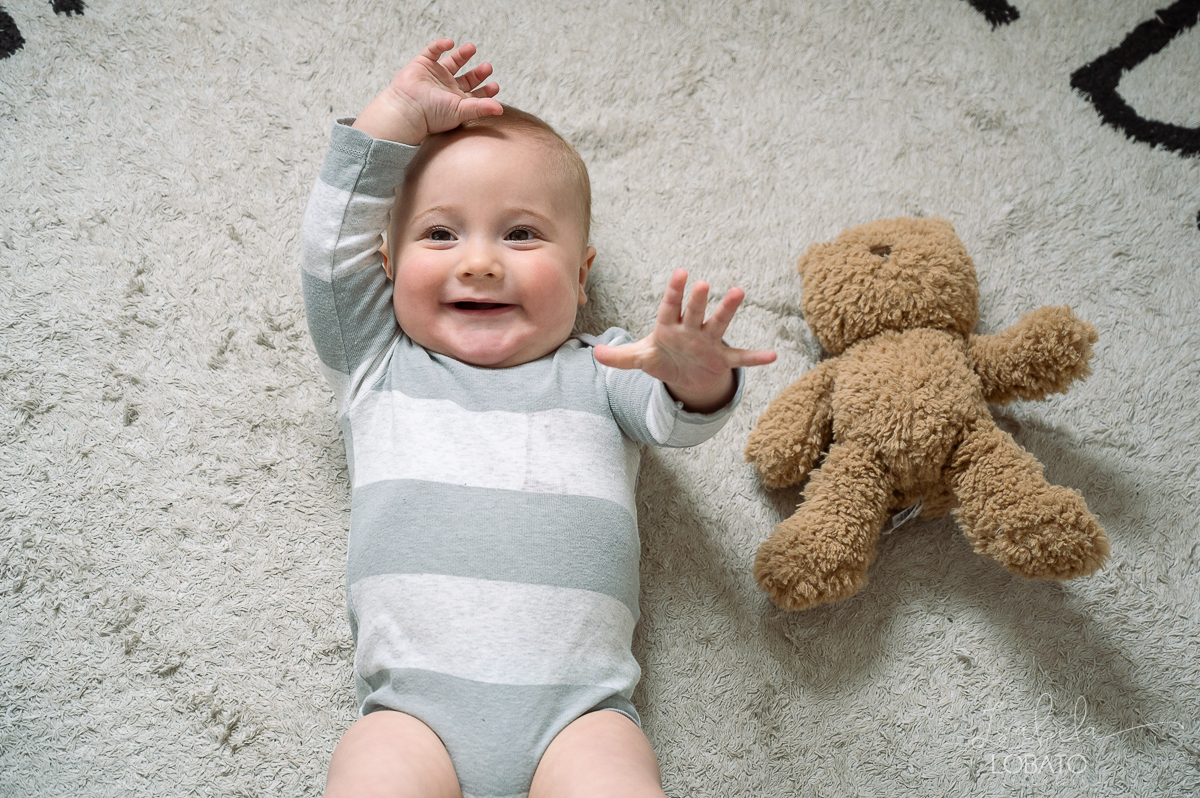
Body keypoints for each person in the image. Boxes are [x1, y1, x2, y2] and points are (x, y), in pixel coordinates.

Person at [300, 38, 776, 798]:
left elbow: (672, 420)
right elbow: (332, 250)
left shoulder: (604, 365)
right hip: (411, 716)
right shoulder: (378, 365)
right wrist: (394, 115)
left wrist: (696, 382)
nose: (480, 262)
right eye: (439, 233)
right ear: (386, 267)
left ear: (582, 277)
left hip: (580, 719)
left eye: (520, 234)